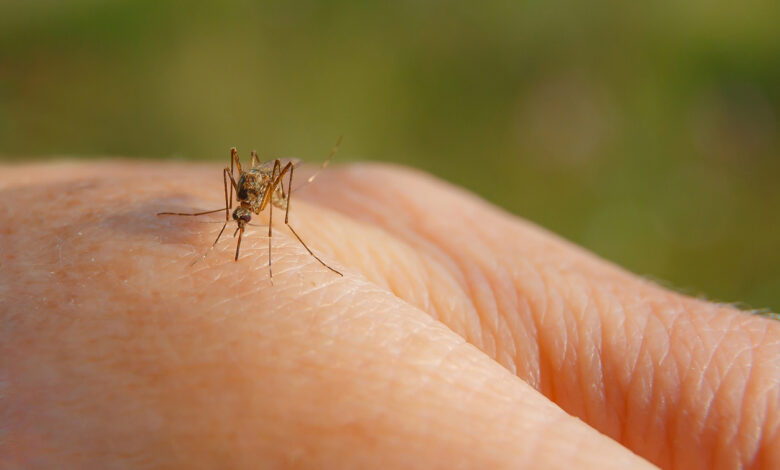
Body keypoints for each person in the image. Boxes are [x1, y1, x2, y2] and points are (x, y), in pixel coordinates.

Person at [2, 161, 778, 469]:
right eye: (241, 204)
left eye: (244, 205)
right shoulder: (233, 198)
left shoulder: (266, 202)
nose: (241, 210)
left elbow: (271, 195)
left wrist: (278, 226)